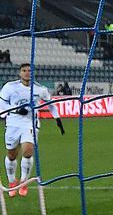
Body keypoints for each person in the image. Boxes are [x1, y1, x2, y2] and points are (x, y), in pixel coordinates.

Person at [0, 63, 65, 197]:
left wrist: (57, 119)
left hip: (30, 123)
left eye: (29, 71)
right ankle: (12, 181)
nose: (27, 73)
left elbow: (51, 104)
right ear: (20, 73)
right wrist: (15, 110)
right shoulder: (10, 87)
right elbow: (2, 102)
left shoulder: (39, 89)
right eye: (24, 70)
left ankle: (24, 182)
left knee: (28, 151)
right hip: (13, 123)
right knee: (12, 154)